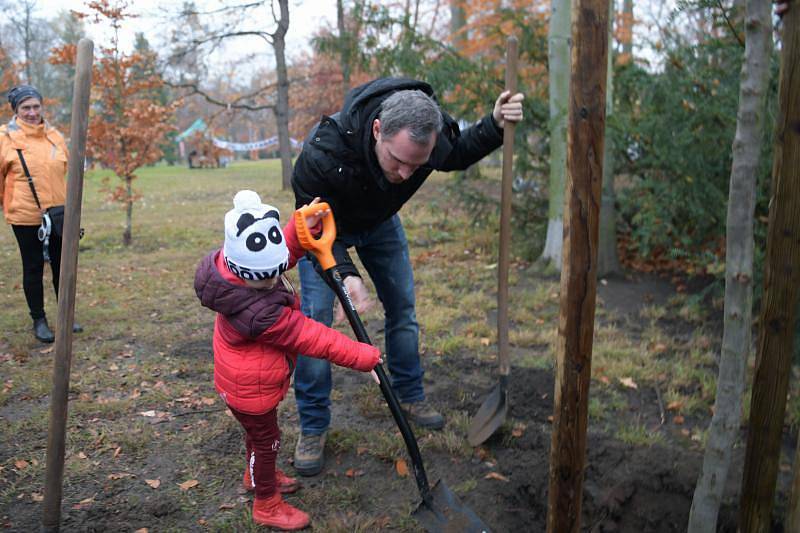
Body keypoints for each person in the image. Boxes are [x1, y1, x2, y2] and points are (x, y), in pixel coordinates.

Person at [290, 77, 524, 476]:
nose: (404, 173)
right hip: (327, 230)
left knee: (403, 309)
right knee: (315, 326)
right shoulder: (323, 153)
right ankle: (313, 426)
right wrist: (345, 274)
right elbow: (310, 232)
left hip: (381, 224)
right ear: (378, 129)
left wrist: (495, 123)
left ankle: (411, 395)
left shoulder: (429, 136)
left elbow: (460, 152)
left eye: (417, 164)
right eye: (397, 160)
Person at [194, 190, 381, 531]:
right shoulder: (259, 312)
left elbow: (280, 252)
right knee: (268, 442)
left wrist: (298, 228)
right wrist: (363, 356)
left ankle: (256, 478)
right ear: (243, 269)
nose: (272, 281)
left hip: (242, 380)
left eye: (275, 272)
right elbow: (314, 337)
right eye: (265, 277)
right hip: (250, 390)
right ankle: (266, 502)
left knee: (258, 437)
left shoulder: (234, 269)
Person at [0, 85, 82, 343]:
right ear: (16, 110)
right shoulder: (5, 137)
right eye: (26, 107)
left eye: (36, 106)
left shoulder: (55, 135)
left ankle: (65, 315)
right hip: (25, 214)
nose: (32, 112)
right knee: (34, 267)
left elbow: (69, 169)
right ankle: (39, 319)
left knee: (62, 265)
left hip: (59, 213)